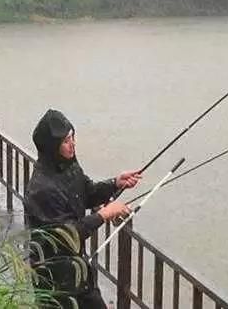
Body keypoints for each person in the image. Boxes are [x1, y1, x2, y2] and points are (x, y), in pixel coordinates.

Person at [24, 109, 142, 309]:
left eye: (72, 137)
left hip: (80, 273)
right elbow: (66, 235)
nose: (73, 144)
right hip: (55, 281)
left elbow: (87, 192)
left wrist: (115, 183)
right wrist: (104, 214)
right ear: (52, 147)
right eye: (66, 141)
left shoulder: (69, 166)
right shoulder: (41, 188)